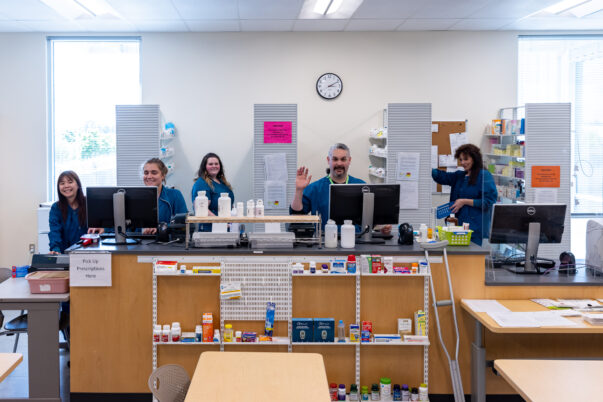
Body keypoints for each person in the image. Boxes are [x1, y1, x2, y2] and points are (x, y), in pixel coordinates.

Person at [290, 143, 391, 234]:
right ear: (328, 160)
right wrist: (298, 190)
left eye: (343, 159)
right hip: (324, 243)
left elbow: (370, 219)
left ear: (349, 160)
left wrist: (380, 227)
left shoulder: (361, 186)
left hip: (356, 243)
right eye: (335, 159)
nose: (339, 163)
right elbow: (296, 216)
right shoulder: (315, 188)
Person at [431, 143, 497, 246]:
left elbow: (489, 201)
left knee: (470, 259)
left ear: (474, 159)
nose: (462, 162)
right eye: (460, 160)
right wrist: (428, 168)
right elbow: (441, 176)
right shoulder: (460, 176)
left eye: (466, 159)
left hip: (474, 229)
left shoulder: (484, 175)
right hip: (456, 228)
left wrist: (464, 201)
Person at [49, 171, 103, 254]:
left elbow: (109, 224)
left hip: (91, 254)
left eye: (70, 182)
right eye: (62, 183)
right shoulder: (56, 208)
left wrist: (103, 228)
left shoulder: (90, 203)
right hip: (66, 255)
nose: (66, 186)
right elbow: (55, 232)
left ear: (78, 185)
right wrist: (56, 250)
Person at [142, 158, 188, 234]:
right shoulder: (136, 197)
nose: (149, 176)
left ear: (163, 175)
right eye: (146, 173)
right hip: (140, 242)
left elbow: (183, 224)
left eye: (154, 173)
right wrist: (142, 229)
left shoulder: (175, 195)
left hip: (167, 243)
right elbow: (129, 227)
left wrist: (161, 228)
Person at [191, 153, 235, 231]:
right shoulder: (202, 183)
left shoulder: (222, 182)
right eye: (210, 164)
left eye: (216, 164)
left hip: (225, 226)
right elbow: (202, 209)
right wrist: (220, 222)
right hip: (210, 229)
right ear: (204, 167)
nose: (214, 166)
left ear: (220, 166)